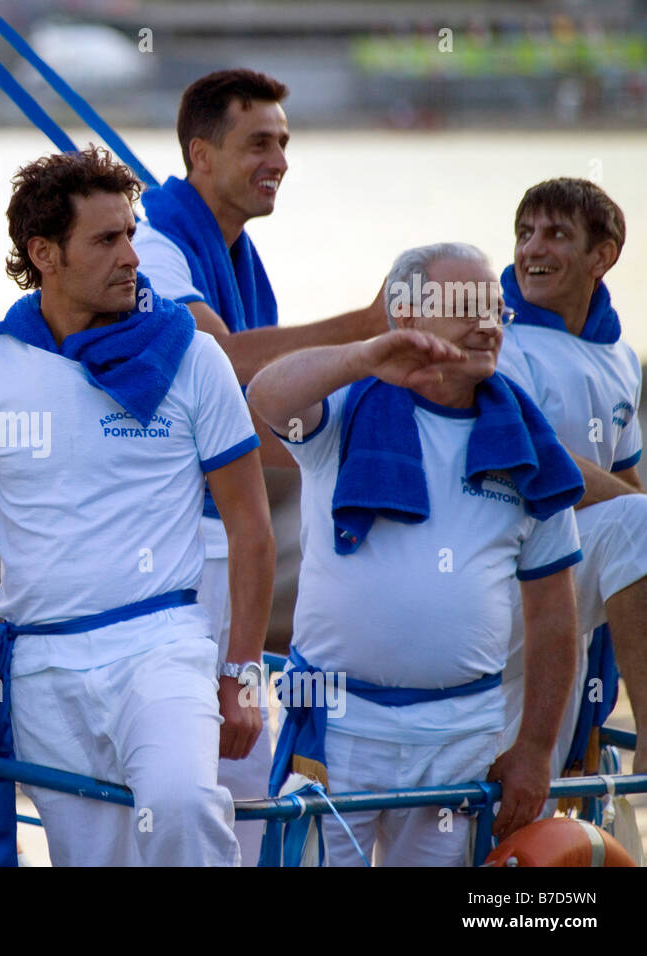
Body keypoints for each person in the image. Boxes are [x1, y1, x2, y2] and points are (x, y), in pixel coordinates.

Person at [0, 147, 275, 866]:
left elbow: (252, 530)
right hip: (42, 665)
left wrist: (241, 675)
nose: (132, 255)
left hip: (163, 647)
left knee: (183, 806)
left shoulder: (195, 358)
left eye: (132, 233)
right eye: (107, 239)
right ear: (44, 253)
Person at [246, 242, 584, 866]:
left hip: (462, 739)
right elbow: (266, 397)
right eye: (464, 305)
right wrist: (366, 354)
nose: (486, 322)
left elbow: (553, 611)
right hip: (335, 732)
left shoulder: (525, 443)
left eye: (494, 306)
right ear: (406, 315)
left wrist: (535, 748)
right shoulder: (347, 410)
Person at [131, 67, 388, 859]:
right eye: (258, 143)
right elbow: (221, 357)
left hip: (219, 550)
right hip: (172, 560)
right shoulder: (153, 245)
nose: (277, 158)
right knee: (217, 777)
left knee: (245, 780)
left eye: (283, 141)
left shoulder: (241, 259)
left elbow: (254, 413)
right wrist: (372, 327)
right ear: (200, 155)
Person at [495, 178, 647, 777]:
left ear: (602, 256)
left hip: (567, 586)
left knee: (537, 795)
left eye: (557, 233)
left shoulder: (622, 357)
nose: (533, 248)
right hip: (499, 573)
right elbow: (535, 460)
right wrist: (637, 514)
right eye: (525, 233)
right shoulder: (499, 336)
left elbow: (625, 476)